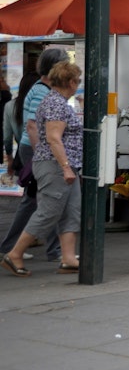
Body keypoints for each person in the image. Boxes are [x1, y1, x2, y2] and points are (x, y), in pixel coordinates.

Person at [1, 61, 83, 277]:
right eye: (78, 81)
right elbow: (54, 139)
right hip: (56, 166)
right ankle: (15, 254)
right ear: (70, 82)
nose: (78, 85)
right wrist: (65, 167)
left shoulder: (59, 102)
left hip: (66, 166)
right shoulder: (56, 104)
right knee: (48, 211)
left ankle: (68, 258)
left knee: (71, 210)